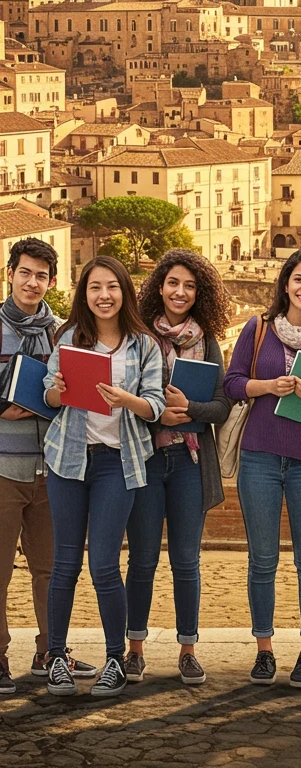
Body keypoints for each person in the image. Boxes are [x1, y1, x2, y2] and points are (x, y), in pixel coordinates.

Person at [223, 249, 301, 689]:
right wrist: (268, 387)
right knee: (262, 560)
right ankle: (263, 650)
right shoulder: (257, 329)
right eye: (298, 279)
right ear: (285, 284)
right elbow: (232, 381)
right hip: (258, 457)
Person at [42, 256, 164, 700]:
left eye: (111, 287)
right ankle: (56, 658)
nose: (104, 295)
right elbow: (50, 397)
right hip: (68, 460)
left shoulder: (143, 345)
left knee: (104, 565)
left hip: (118, 462)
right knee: (65, 564)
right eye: (95, 287)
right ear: (84, 293)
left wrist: (125, 399)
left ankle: (115, 659)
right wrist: (57, 388)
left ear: (124, 292)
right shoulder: (70, 338)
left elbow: (155, 407)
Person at [123, 251, 233, 686]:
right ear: (159, 288)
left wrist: (190, 409)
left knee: (187, 562)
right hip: (147, 460)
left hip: (189, 463)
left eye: (189, 285)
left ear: (199, 293)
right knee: (143, 560)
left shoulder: (207, 344)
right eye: (173, 283)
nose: (180, 292)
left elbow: (223, 406)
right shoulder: (139, 339)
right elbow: (123, 400)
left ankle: (188, 649)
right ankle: (135, 651)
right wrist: (156, 416)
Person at [0, 239, 95, 696]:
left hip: (52, 469)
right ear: (10, 274)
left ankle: (50, 651)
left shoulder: (65, 333)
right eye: (25, 272)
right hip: (2, 469)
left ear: (52, 282)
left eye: (41, 275)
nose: (32, 282)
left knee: (52, 569)